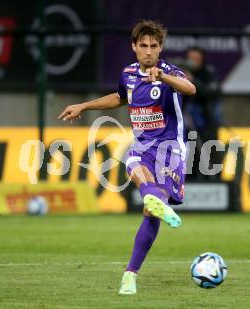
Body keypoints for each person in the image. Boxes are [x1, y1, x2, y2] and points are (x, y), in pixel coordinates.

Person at [58, 20, 196, 295]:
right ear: (134, 47)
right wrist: (84, 105)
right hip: (142, 147)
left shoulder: (169, 73)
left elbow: (190, 89)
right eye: (143, 45)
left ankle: (148, 219)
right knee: (135, 166)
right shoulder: (128, 73)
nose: (148, 51)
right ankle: (129, 277)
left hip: (170, 151)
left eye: (153, 46)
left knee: (150, 212)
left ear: (160, 48)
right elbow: (120, 98)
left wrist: (163, 78)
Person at [183, 47, 222, 180]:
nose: (193, 62)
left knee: (210, 158)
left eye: (196, 59)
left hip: (206, 124)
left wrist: (192, 81)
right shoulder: (180, 75)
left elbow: (211, 93)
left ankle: (214, 184)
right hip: (187, 126)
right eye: (190, 59)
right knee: (189, 159)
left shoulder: (209, 74)